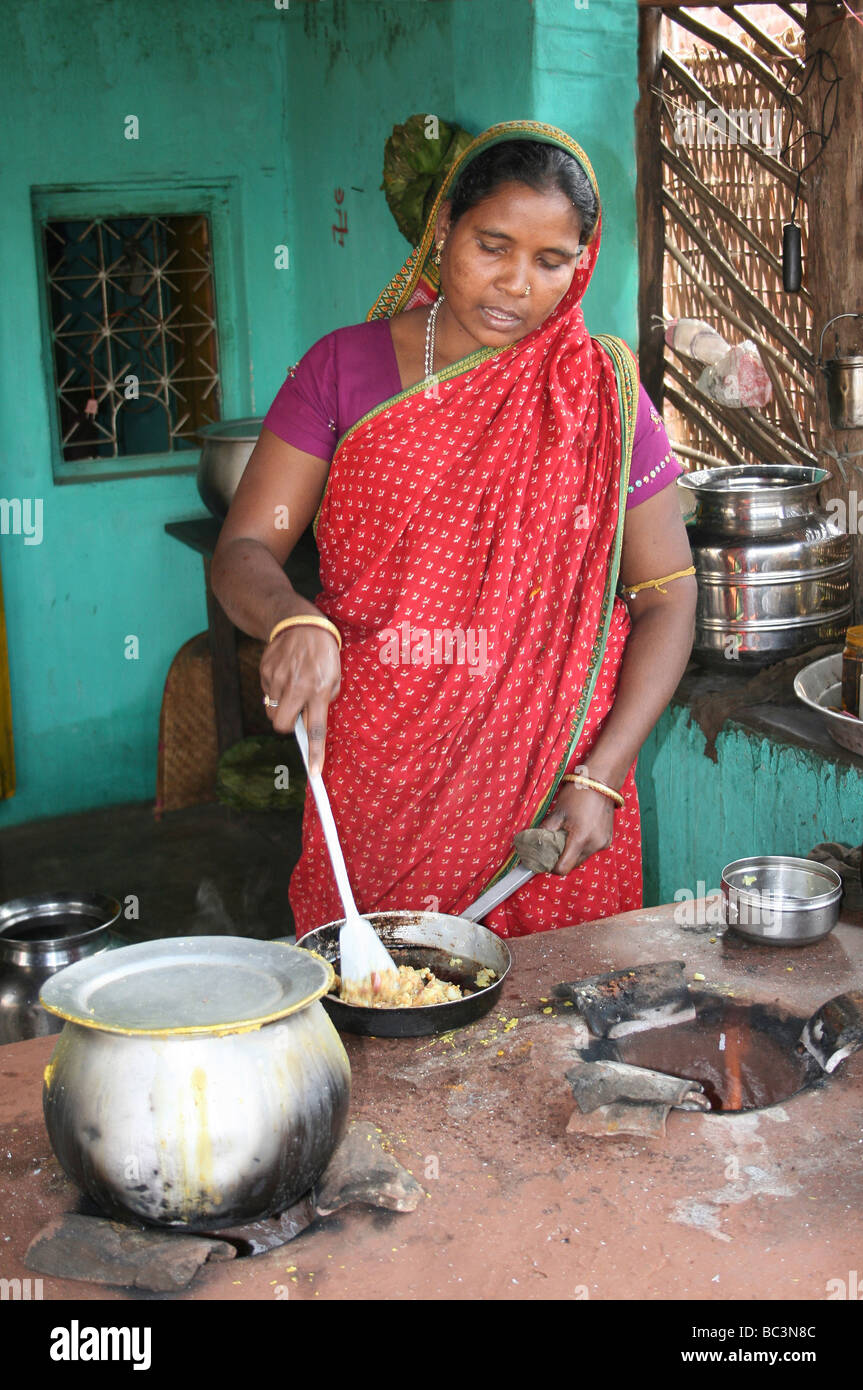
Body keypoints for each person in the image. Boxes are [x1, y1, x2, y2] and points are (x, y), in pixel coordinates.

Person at [211, 120, 697, 939]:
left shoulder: (605, 394)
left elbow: (668, 596)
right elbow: (243, 550)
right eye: (491, 246)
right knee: (377, 1003)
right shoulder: (345, 369)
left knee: (552, 1037)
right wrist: (290, 617)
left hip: (552, 783)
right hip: (381, 767)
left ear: (582, 261)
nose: (515, 285)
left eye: (550, 262)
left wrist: (603, 776)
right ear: (444, 231)